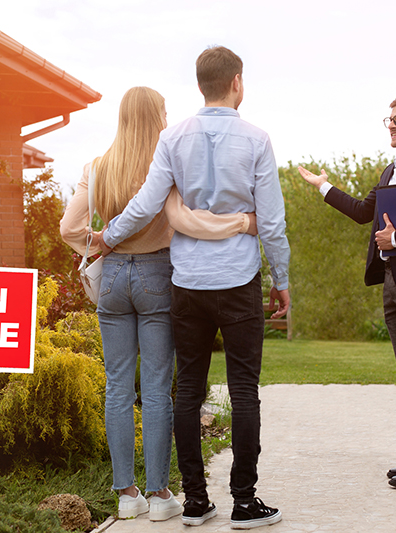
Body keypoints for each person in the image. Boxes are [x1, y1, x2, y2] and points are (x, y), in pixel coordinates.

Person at [94, 46, 290, 529]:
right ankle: (244, 502)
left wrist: (107, 238)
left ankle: (196, 502)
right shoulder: (257, 139)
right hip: (239, 281)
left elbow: (144, 204)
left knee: (187, 392)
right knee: (244, 389)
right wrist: (281, 280)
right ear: (237, 82)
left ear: (200, 84)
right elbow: (273, 223)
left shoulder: (173, 138)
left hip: (187, 283)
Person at [60, 86, 257, 522]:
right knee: (156, 388)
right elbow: (185, 216)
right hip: (156, 276)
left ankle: (126, 495)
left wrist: (95, 243)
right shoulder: (164, 164)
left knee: (116, 386)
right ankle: (160, 493)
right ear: (156, 117)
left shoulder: (97, 167)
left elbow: (68, 227)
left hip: (111, 277)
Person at [298, 95, 396, 490]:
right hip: (393, 284)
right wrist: (323, 186)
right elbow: (360, 211)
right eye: (388, 119)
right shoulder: (391, 171)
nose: (392, 124)